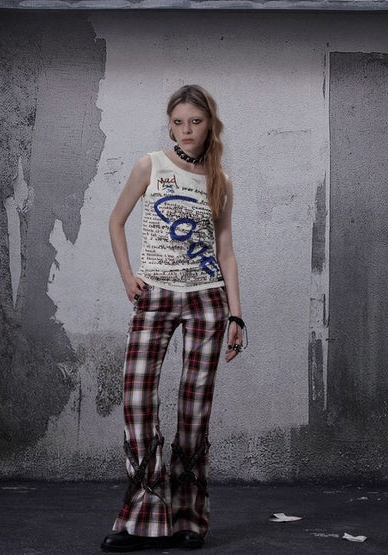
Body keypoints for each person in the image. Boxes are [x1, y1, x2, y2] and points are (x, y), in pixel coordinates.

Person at [101, 84, 246, 552]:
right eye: (179, 122)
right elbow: (115, 220)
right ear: (170, 125)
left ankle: (188, 519)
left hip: (206, 300)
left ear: (210, 126)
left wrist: (237, 315)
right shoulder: (151, 166)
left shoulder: (220, 181)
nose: (187, 130)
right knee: (137, 401)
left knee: (194, 409)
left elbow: (225, 251)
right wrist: (128, 276)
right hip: (156, 297)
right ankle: (142, 518)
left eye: (196, 122)